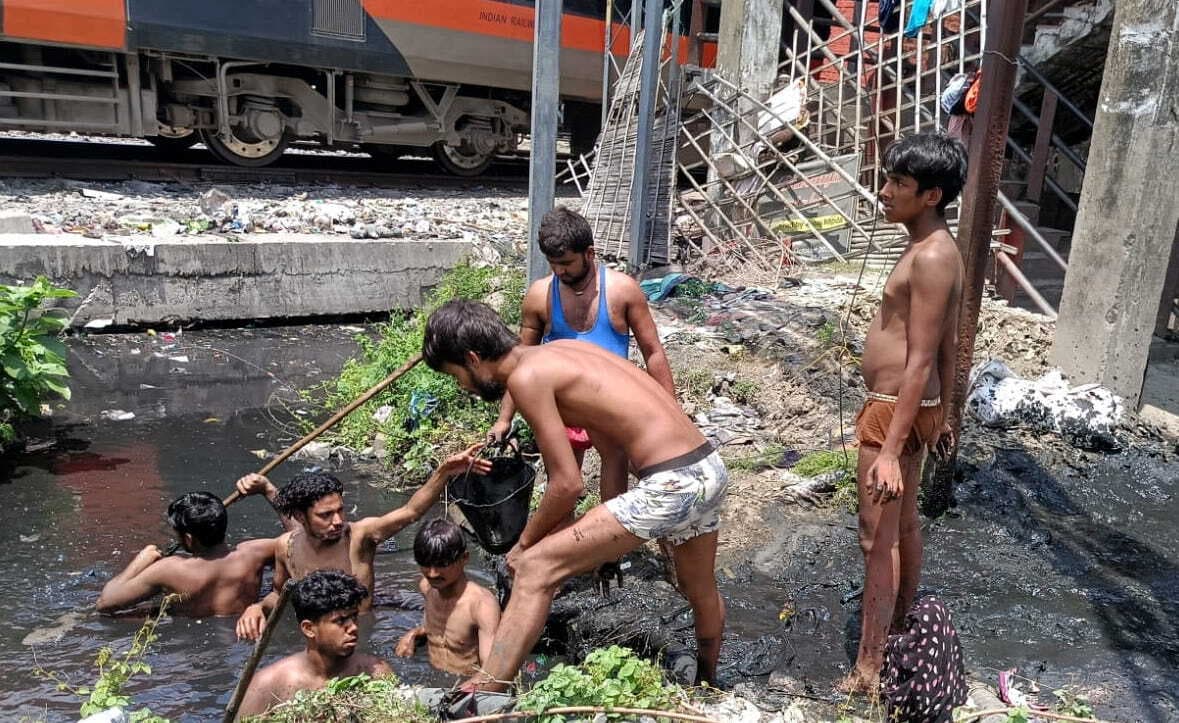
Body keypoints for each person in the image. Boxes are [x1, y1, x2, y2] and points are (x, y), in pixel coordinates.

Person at [422, 300, 729, 691]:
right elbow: (613, 451)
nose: (463, 387)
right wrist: (609, 548)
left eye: (457, 376)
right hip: (708, 467)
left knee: (535, 569)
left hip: (671, 484)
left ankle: (485, 692)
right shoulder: (564, 351)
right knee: (699, 588)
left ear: (472, 358)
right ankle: (708, 686)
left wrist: (525, 545)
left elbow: (567, 484)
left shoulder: (526, 378)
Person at [839, 132, 967, 695]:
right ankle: (901, 629)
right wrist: (947, 412)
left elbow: (920, 360)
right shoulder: (926, 244)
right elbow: (948, 341)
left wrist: (890, 447)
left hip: (892, 410)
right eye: (887, 179)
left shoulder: (934, 254)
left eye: (899, 184)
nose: (884, 192)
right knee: (904, 526)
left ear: (932, 195)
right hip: (909, 408)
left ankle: (869, 667)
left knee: (877, 536)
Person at [488, 206, 675, 505]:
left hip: (609, 403)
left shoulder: (622, 291)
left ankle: (612, 540)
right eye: (553, 264)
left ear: (590, 253)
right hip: (562, 407)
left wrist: (670, 409)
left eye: (566, 263)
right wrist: (504, 418)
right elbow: (520, 362)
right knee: (563, 480)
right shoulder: (540, 295)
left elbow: (653, 352)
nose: (560, 271)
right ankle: (565, 534)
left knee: (618, 459)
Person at [234, 445, 491, 640]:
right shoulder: (285, 546)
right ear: (301, 517)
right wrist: (256, 607)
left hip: (364, 631)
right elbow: (280, 593)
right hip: (318, 635)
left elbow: (410, 511)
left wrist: (444, 471)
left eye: (340, 510)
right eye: (325, 515)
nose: (337, 521)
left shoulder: (359, 536)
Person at [235, 570, 392, 719]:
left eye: (354, 617)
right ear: (309, 629)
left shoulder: (375, 673)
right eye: (340, 620)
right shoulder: (267, 686)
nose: (354, 627)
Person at [96, 492, 274, 617]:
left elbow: (105, 603)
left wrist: (141, 560)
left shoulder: (170, 569)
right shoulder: (255, 553)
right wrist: (267, 489)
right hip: (241, 627)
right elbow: (297, 538)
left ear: (188, 539)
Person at [394, 518, 501, 675]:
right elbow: (443, 628)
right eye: (425, 564)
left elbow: (491, 672)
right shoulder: (427, 588)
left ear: (464, 558)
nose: (432, 573)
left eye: (441, 564)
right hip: (431, 676)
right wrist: (414, 634)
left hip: (465, 683)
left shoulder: (481, 605)